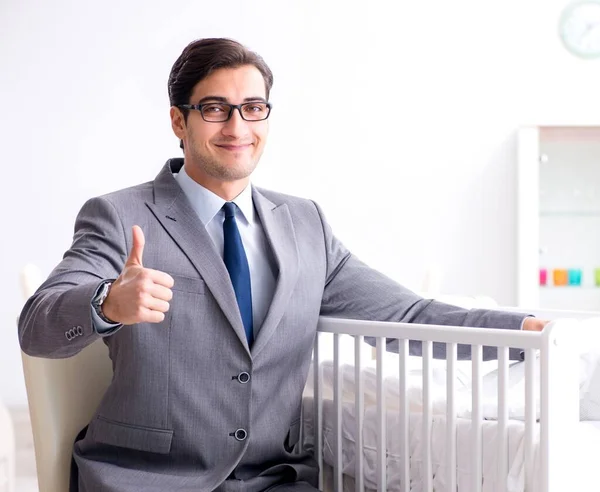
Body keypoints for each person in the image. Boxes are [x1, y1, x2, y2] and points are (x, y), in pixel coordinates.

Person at [18, 37, 546, 492]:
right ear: (179, 120)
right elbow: (37, 326)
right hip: (149, 477)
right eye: (215, 108)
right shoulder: (120, 214)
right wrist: (107, 302)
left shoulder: (304, 223)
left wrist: (525, 329)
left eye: (253, 107)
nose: (237, 125)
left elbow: (406, 315)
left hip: (274, 478)